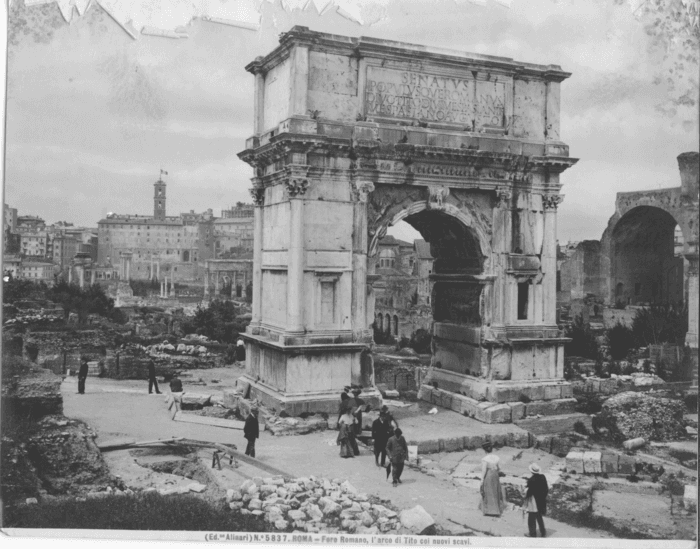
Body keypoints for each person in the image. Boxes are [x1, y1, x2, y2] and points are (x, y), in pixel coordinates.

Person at [479, 442, 506, 517]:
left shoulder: (484, 459)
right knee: (496, 490)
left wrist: (481, 481)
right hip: (495, 475)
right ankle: (496, 510)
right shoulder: (497, 457)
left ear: (485, 450)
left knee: (488, 491)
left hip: (489, 474)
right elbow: (499, 468)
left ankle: (489, 510)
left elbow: (484, 470)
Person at [523, 463, 549, 538]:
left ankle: (532, 533)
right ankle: (543, 532)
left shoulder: (531, 480)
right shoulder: (543, 477)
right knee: (539, 516)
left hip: (533, 500)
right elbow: (546, 489)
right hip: (541, 500)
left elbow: (529, 492)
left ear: (532, 471)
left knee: (531, 518)